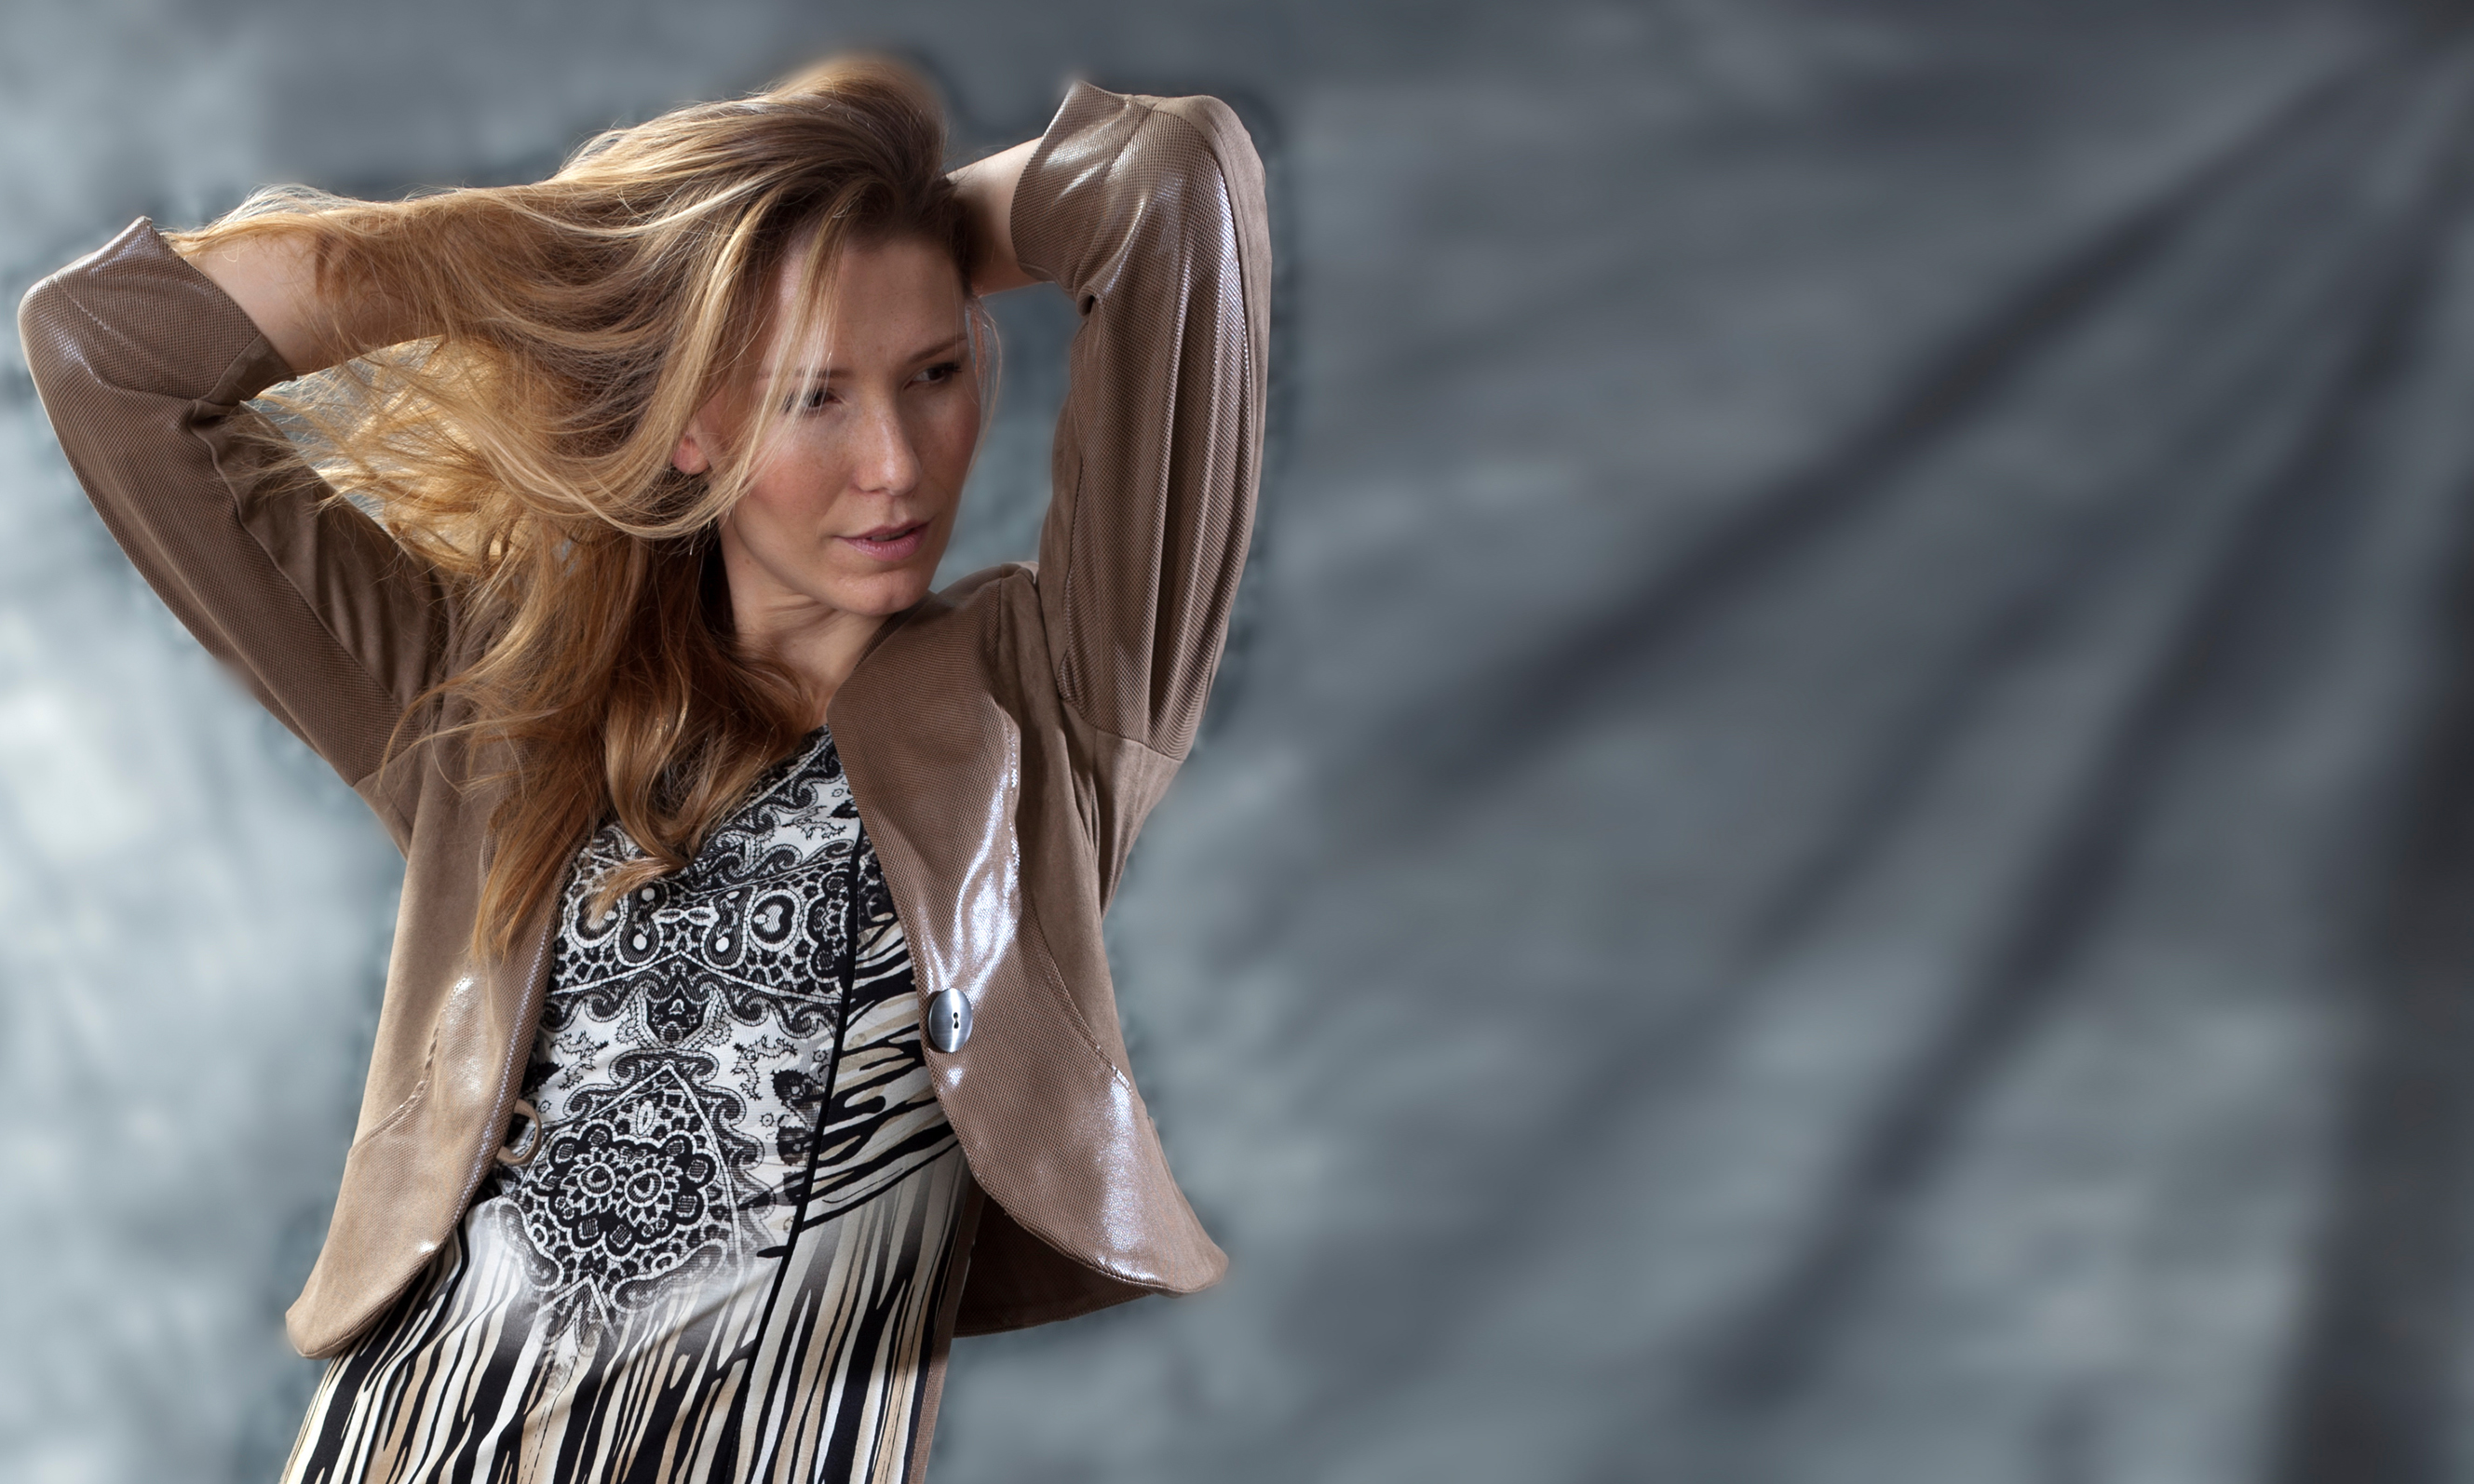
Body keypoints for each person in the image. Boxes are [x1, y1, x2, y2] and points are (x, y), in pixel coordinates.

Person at [18, 53, 1266, 1484]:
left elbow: (1172, 183)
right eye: (813, 396)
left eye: (932, 373)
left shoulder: (1053, 701)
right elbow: (110, 350)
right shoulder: (492, 708)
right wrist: (617, 262)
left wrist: (892, 222)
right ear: (692, 420)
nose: (896, 464)